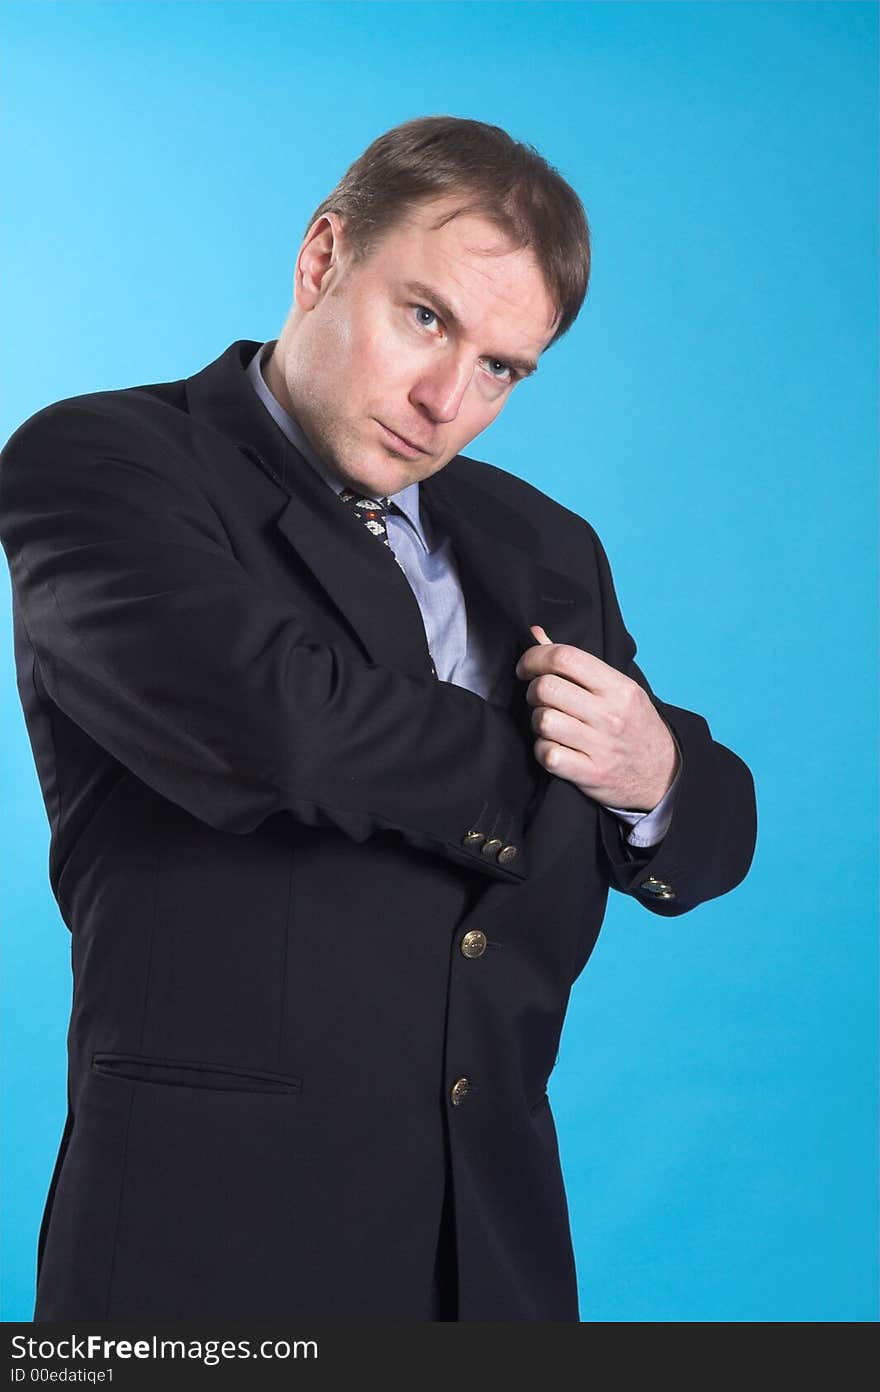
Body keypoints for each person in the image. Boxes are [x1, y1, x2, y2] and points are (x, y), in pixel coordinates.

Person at [0, 115, 756, 1323]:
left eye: (503, 368)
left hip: (494, 1257)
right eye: (426, 317)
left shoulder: (544, 543)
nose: (445, 399)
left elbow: (701, 839)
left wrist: (656, 767)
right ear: (321, 259)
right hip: (203, 1259)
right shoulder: (103, 459)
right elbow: (277, 725)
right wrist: (563, 770)